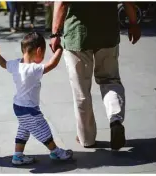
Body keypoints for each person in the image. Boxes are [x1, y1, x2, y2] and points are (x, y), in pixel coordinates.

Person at [50, 2, 141, 150]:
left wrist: (55, 33)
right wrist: (133, 23)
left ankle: (87, 138)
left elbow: (61, 2)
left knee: (81, 90)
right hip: (107, 33)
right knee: (110, 80)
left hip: (77, 34)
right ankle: (115, 120)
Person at [0, 32, 73, 165]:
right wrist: (59, 49)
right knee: (43, 128)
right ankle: (56, 152)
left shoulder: (15, 64)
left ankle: (17, 156)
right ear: (39, 50)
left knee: (24, 129)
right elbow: (52, 64)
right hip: (29, 109)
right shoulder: (33, 69)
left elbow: (3, 63)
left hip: (18, 106)